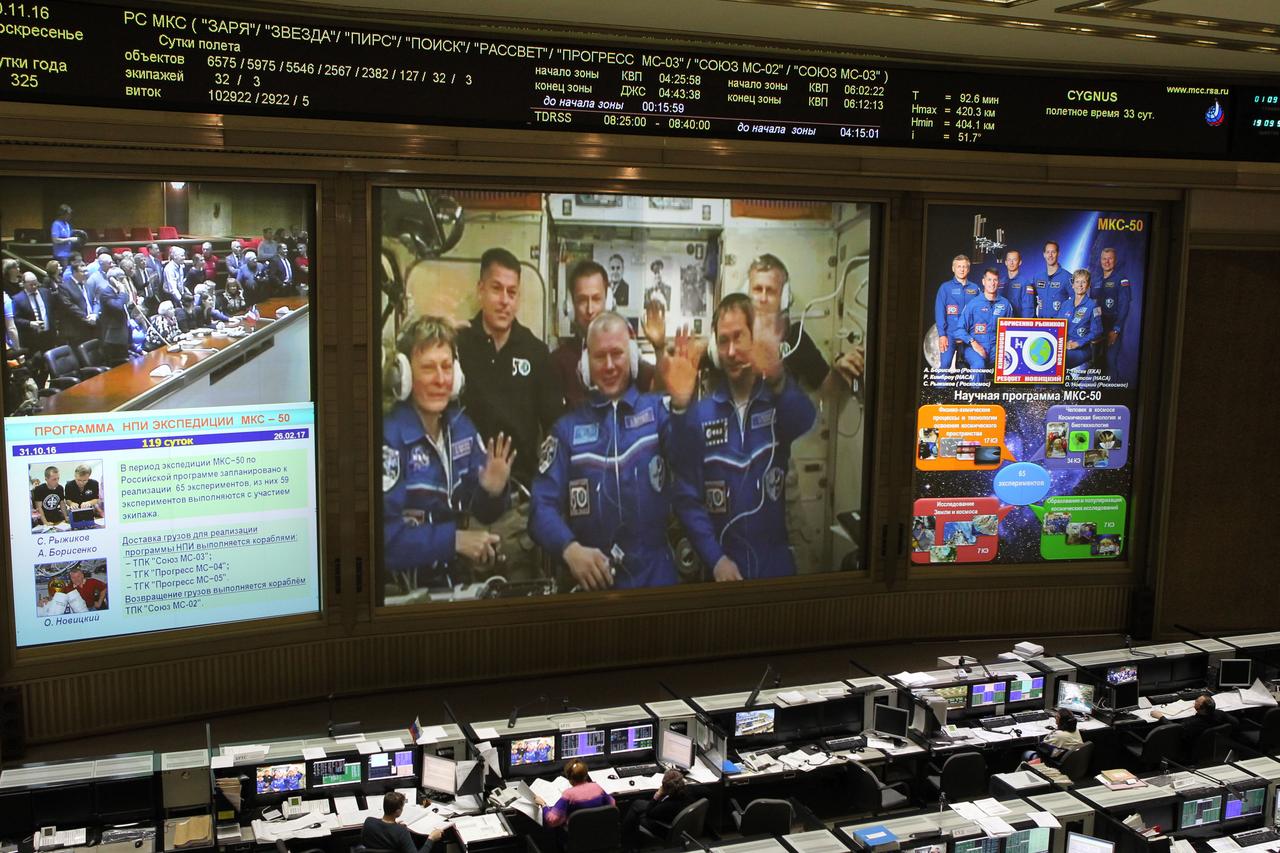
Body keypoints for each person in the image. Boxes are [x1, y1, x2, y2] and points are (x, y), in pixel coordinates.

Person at [531, 312, 697, 590]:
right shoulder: (566, 430)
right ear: (585, 365)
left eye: (617, 354)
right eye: (599, 356)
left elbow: (690, 463)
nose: (609, 365)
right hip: (592, 584)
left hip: (656, 579)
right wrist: (569, 549)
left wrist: (681, 408)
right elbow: (540, 507)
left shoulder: (658, 413)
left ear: (631, 358)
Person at [673, 294, 817, 581]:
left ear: (755, 339)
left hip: (776, 564)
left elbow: (805, 420)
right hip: (723, 568)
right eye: (723, 341)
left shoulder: (778, 402)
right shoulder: (700, 415)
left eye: (739, 337)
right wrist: (715, 560)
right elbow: (687, 498)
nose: (731, 351)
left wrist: (778, 378)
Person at [384, 316, 514, 593]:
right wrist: (454, 541)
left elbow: (484, 511)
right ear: (404, 377)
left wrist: (492, 491)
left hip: (453, 585)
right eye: (429, 368)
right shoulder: (390, 438)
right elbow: (383, 541)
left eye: (446, 367)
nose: (441, 379)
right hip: (403, 593)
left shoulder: (461, 429)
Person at [456, 248, 562, 490]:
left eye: (512, 292)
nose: (505, 300)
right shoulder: (458, 345)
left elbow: (555, 429)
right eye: (496, 289)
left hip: (519, 494)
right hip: (464, 491)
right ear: (480, 289)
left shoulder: (536, 353)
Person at [746, 253, 864, 395]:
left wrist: (839, 370)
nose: (763, 298)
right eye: (758, 289)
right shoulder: (732, 335)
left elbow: (826, 387)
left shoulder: (796, 337)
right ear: (747, 293)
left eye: (771, 291)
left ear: (784, 297)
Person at [551, 260, 660, 409]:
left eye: (596, 299)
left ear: (608, 302)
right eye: (582, 300)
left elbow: (661, 395)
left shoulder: (628, 354)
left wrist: (660, 348)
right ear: (570, 306)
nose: (590, 310)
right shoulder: (558, 362)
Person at [957, 267, 1013, 382]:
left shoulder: (1005, 305)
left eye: (995, 280)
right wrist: (974, 343)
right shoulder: (973, 304)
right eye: (989, 280)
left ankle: (1003, 398)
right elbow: (959, 329)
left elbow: (1011, 330)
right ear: (983, 282)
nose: (992, 283)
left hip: (996, 348)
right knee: (978, 365)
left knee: (1011, 364)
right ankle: (976, 398)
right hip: (975, 347)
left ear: (999, 283)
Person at [535, 759, 615, 829]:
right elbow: (612, 805)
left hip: (576, 837)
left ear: (569, 779)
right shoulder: (597, 787)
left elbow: (552, 820)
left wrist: (543, 805)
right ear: (586, 775)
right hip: (600, 834)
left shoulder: (568, 794)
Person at [933, 254, 980, 370]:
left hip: (968, 335)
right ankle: (940, 388)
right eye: (959, 266)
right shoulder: (945, 288)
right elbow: (939, 312)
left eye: (964, 267)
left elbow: (980, 312)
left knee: (964, 368)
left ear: (968, 269)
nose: (962, 269)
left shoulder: (975, 289)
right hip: (950, 334)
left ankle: (963, 389)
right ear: (953, 269)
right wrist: (942, 335)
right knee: (944, 365)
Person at [1092, 247, 1132, 376]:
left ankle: (1112, 393)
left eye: (1110, 259)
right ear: (1100, 260)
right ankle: (1099, 391)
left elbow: (1124, 305)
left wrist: (1116, 329)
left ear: (1115, 261)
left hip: (1112, 326)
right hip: (1097, 327)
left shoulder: (1121, 280)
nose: (1107, 262)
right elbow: (1091, 303)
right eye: (1104, 258)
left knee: (1110, 361)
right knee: (1097, 361)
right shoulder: (1096, 280)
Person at [623, 769, 692, 842]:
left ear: (666, 789)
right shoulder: (688, 791)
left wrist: (656, 796)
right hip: (676, 818)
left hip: (663, 826)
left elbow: (649, 813)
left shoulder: (666, 806)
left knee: (637, 810)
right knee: (637, 804)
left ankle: (625, 838)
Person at [361, 791, 443, 853]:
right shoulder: (401, 832)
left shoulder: (368, 822)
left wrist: (395, 827)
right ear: (398, 811)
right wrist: (431, 839)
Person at [1152, 694, 1240, 749]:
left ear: (1201, 709)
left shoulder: (1193, 723)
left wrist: (1161, 717)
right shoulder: (1220, 714)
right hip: (1211, 748)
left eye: (1197, 701)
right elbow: (1236, 722)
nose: (1195, 701)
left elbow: (1175, 729)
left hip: (1187, 748)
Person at [1056, 269, 1103, 372]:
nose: (1080, 285)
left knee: (1058, 359)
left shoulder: (1093, 306)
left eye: (1084, 282)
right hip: (1062, 346)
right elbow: (1057, 326)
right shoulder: (1065, 305)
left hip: (1081, 349)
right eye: (1077, 282)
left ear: (1089, 285)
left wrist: (1078, 343)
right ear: (1072, 285)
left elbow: (1097, 331)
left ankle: (1059, 386)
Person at [13, 272, 58, 373]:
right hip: (32, 340)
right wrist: (30, 323)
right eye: (31, 284)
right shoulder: (18, 299)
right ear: (23, 284)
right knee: (37, 368)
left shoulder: (45, 292)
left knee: (53, 367)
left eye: (36, 283)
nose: (34, 286)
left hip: (48, 336)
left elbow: (53, 311)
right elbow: (16, 319)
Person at [53, 261, 98, 347]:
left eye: (86, 271)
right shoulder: (64, 287)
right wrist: (86, 317)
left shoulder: (87, 284)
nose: (86, 274)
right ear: (74, 272)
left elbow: (95, 300)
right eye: (83, 272)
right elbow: (69, 306)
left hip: (91, 326)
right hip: (76, 329)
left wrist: (94, 314)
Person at [97, 269, 132, 364]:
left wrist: (125, 289)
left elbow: (129, 301)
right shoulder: (106, 293)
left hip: (123, 333)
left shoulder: (119, 292)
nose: (123, 281)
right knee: (119, 365)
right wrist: (122, 291)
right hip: (113, 337)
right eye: (121, 279)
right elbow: (118, 306)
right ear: (112, 279)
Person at [1034, 241, 1073, 318]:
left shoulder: (1067, 277)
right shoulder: (1038, 277)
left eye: (1053, 252)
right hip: (1042, 323)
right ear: (1044, 254)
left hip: (1060, 324)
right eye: (1048, 252)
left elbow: (1077, 300)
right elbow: (1031, 301)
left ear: (1058, 254)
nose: (1050, 255)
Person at [999, 249, 1036, 318]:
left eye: (1014, 260)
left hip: (1017, 323)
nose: (1011, 263)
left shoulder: (1025, 283)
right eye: (1009, 260)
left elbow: (1028, 308)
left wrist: (1025, 324)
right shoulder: (1000, 283)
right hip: (1002, 322)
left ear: (1020, 262)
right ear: (1006, 262)